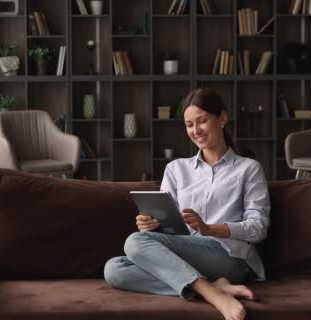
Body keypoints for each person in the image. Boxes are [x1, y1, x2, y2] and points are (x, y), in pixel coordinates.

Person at [104, 88, 271, 320]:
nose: (196, 131)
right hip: (188, 254)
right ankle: (210, 288)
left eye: (202, 121)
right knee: (114, 269)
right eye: (189, 124)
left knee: (134, 241)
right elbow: (168, 225)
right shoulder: (176, 169)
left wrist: (210, 229)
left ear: (222, 119)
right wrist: (152, 225)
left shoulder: (248, 168)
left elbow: (258, 227)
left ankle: (210, 292)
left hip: (230, 256)